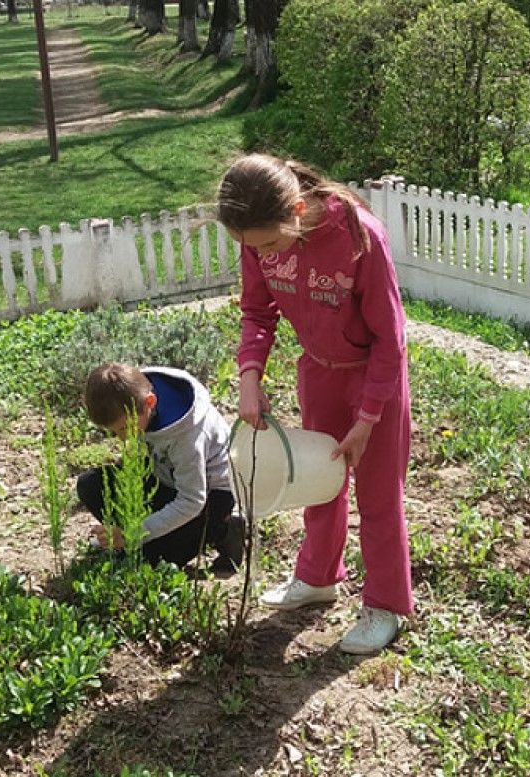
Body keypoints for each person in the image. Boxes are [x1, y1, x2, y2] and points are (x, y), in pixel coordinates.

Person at [217, 153, 413, 655]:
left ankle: (385, 605)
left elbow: (391, 340)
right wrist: (249, 376)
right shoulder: (256, 238)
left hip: (375, 379)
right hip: (319, 372)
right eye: (250, 248)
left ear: (298, 211)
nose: (261, 254)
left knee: (377, 494)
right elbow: (257, 310)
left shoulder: (358, 237)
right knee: (319, 480)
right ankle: (318, 577)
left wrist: (369, 417)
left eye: (268, 244)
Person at [77, 362, 244, 570]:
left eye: (125, 428)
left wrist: (133, 534)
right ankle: (128, 540)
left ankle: (225, 529)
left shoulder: (188, 436)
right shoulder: (135, 396)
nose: (122, 438)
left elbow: (192, 500)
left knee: (150, 563)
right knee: (90, 484)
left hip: (209, 496)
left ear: (150, 401)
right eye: (114, 431)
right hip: (166, 477)